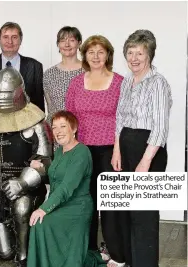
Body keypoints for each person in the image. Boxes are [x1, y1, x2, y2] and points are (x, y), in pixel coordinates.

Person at [109, 29, 172, 267]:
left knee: (144, 215)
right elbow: (120, 119)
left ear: (150, 55)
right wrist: (117, 150)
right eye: (130, 52)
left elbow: (160, 129)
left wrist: (144, 163)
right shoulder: (127, 81)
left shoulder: (158, 84)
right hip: (126, 148)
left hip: (149, 152)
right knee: (126, 211)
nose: (134, 58)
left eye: (140, 53)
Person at [0, 66, 52, 266]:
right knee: (4, 252)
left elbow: (47, 161)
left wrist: (23, 182)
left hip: (28, 191)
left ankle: (24, 255)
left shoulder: (37, 124)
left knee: (22, 207)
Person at [65, 35, 124, 253]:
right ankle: (87, 249)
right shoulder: (76, 83)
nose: (96, 56)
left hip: (110, 150)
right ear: (85, 55)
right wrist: (69, 150)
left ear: (108, 55)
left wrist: (118, 150)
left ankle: (114, 249)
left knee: (109, 205)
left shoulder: (119, 82)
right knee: (85, 201)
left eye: (101, 52)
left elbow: (124, 119)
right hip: (82, 151)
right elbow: (69, 118)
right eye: (91, 52)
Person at [26, 110, 107, 267]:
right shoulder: (59, 152)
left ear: (74, 128)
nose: (58, 131)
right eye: (54, 127)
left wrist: (44, 208)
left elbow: (67, 186)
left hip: (77, 207)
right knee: (39, 224)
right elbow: (55, 176)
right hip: (62, 204)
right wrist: (41, 167)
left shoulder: (82, 152)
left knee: (41, 223)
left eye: (63, 126)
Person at [0, 22, 45, 111]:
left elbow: (39, 103)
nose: (10, 42)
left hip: (26, 122)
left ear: (20, 40)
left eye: (14, 37)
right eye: (5, 37)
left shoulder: (34, 66)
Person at [43, 26, 84, 126]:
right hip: (56, 131)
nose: (67, 44)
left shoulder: (88, 71)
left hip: (83, 129)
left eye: (72, 40)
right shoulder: (49, 74)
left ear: (79, 43)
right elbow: (50, 107)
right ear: (58, 44)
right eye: (62, 40)